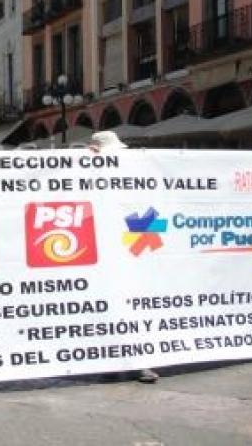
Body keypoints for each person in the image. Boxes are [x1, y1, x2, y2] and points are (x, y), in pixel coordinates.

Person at [88, 131, 160, 383]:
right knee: (107, 307)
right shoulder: (84, 172)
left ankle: (140, 361)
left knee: (134, 305)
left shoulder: (133, 171)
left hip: (131, 249)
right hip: (100, 254)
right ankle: (111, 361)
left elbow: (147, 207)